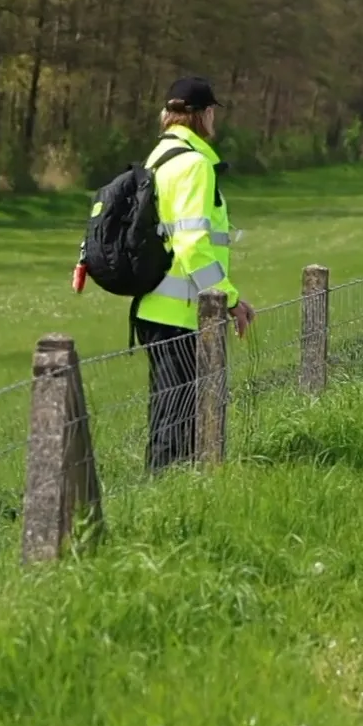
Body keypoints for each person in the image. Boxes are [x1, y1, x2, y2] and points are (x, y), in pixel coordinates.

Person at [133, 76, 256, 472]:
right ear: (204, 115)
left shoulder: (159, 157)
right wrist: (228, 299)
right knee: (178, 421)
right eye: (212, 113)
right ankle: (167, 502)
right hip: (180, 313)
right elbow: (191, 245)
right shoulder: (193, 164)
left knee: (170, 414)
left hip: (156, 306)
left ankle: (167, 496)